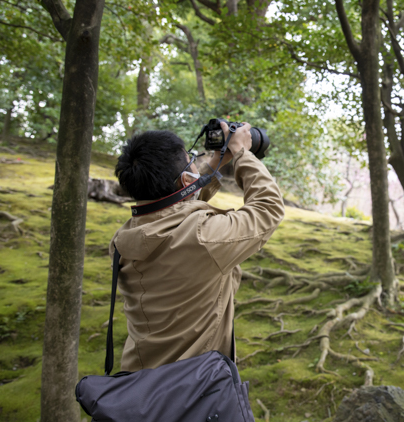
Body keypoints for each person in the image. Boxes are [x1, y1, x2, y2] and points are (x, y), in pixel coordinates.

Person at [109, 122, 284, 371]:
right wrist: (243, 153)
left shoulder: (123, 240)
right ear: (184, 179)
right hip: (192, 389)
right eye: (191, 159)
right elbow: (268, 208)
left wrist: (216, 161)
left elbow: (172, 211)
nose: (195, 162)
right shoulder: (205, 237)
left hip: (139, 381)